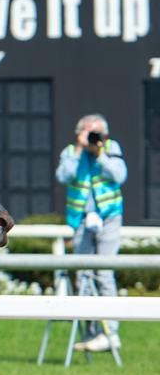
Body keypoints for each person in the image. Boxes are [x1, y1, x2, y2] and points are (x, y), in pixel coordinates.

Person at [55, 113, 127, 352]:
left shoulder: (111, 148)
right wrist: (79, 149)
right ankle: (91, 331)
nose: (94, 137)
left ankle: (110, 333)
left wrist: (100, 154)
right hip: (81, 220)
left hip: (109, 218)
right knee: (84, 275)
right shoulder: (70, 152)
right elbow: (64, 176)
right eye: (89, 132)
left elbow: (119, 175)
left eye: (97, 133)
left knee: (104, 273)